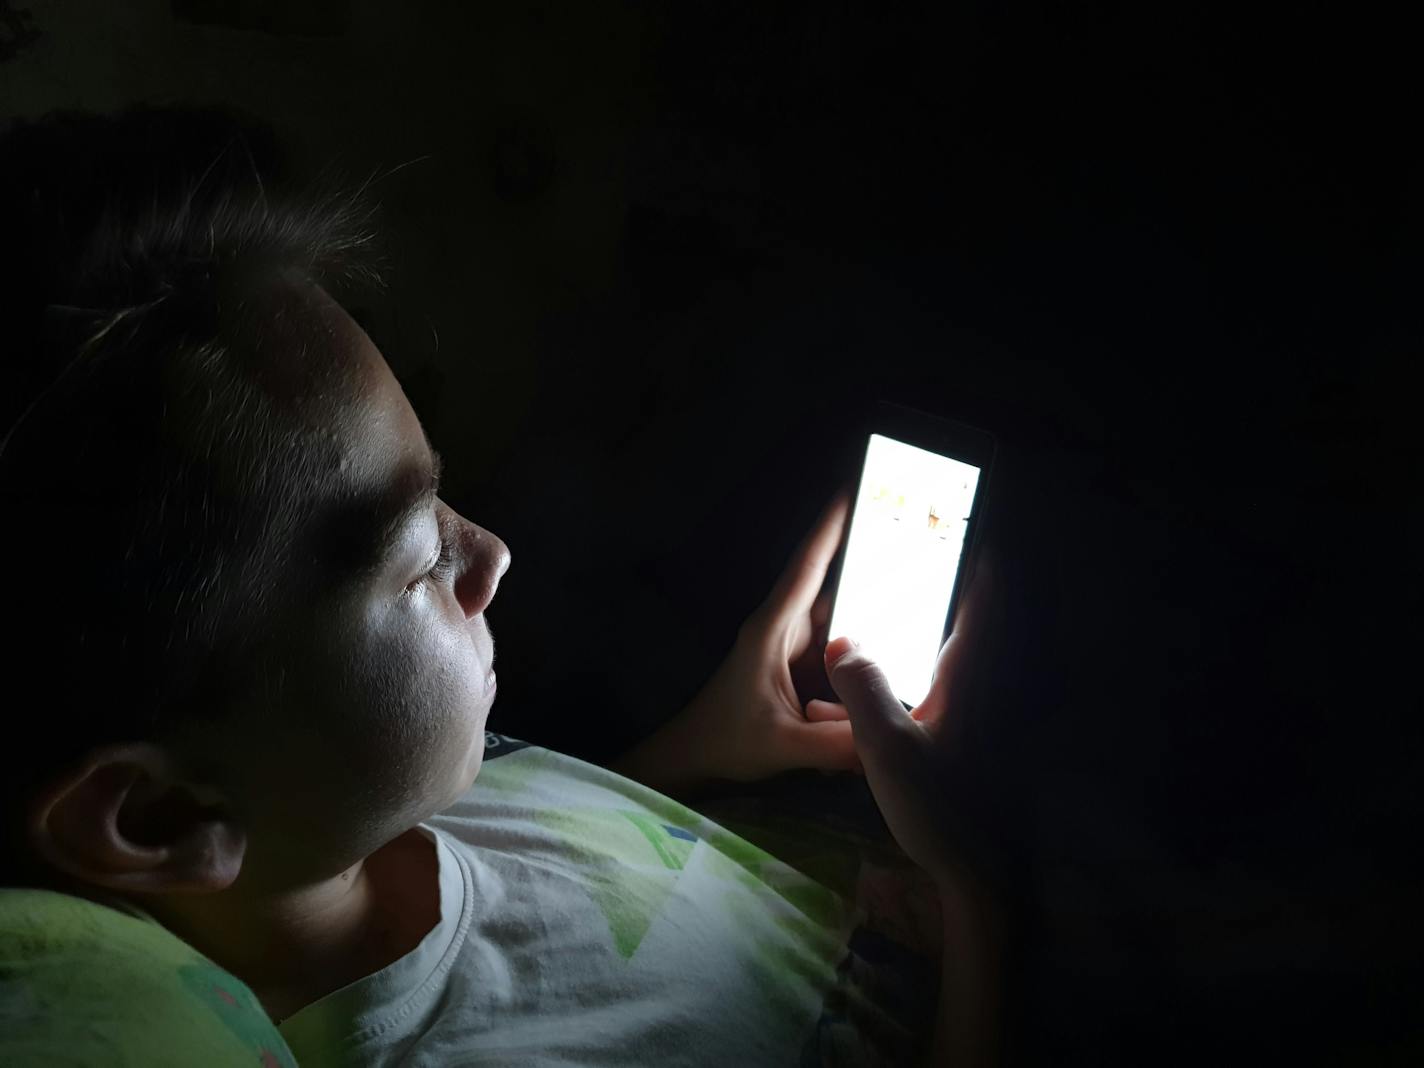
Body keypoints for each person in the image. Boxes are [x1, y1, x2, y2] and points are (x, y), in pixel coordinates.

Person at [0, 107, 1001, 1066]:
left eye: (443, 498)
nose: (491, 553)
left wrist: (707, 742)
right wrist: (985, 896)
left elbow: (555, 888)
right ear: (165, 816)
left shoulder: (382, 795)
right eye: (416, 558)